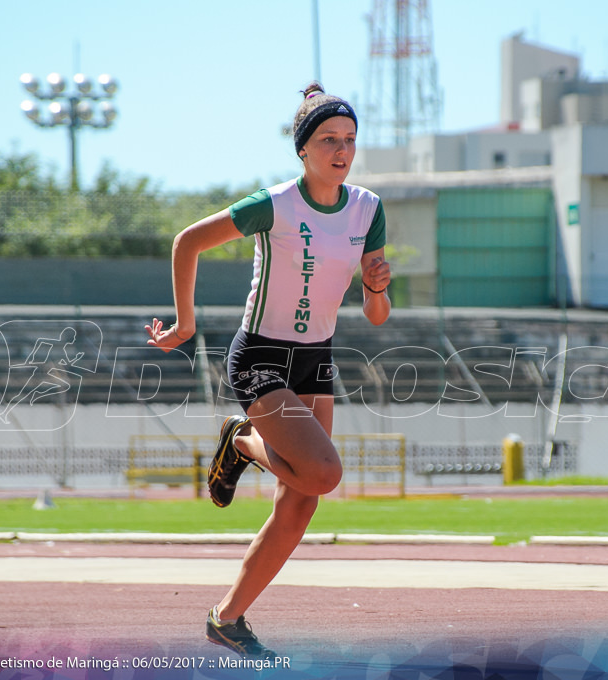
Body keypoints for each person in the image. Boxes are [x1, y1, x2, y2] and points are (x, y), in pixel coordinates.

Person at [145, 82, 391, 658]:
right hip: (261, 356)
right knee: (324, 473)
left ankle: (227, 619)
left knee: (302, 499)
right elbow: (187, 243)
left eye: (350, 140)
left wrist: (378, 290)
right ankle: (244, 440)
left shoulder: (368, 209)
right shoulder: (275, 203)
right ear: (303, 148)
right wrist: (185, 324)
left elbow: (377, 315)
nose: (341, 150)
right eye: (328, 139)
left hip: (316, 358)